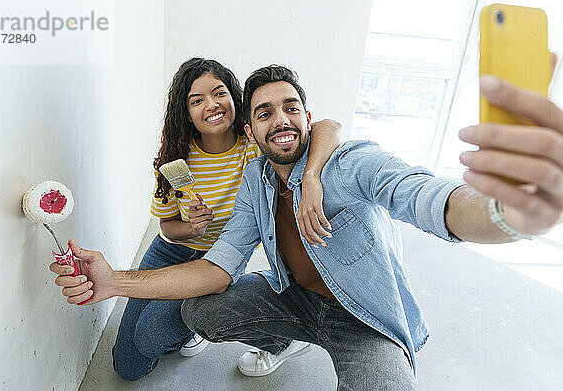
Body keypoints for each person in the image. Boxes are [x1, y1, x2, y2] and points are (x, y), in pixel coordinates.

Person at [50, 65, 563, 390]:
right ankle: (282, 338)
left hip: (364, 320)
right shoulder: (251, 176)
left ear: (308, 116)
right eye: (265, 112)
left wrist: (503, 214)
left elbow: (425, 197)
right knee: (200, 311)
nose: (281, 120)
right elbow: (220, 264)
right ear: (250, 130)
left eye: (291, 107)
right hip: (289, 297)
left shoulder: (349, 163)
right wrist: (115, 281)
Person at [110, 58, 342, 381]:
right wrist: (191, 226)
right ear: (186, 112)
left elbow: (329, 128)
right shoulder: (176, 156)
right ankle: (179, 327)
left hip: (215, 261)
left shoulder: (254, 146)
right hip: (168, 253)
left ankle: (192, 329)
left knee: (149, 335)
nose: (211, 105)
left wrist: (313, 175)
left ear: (234, 98)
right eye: (197, 100)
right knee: (127, 367)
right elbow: (166, 228)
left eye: (219, 93)